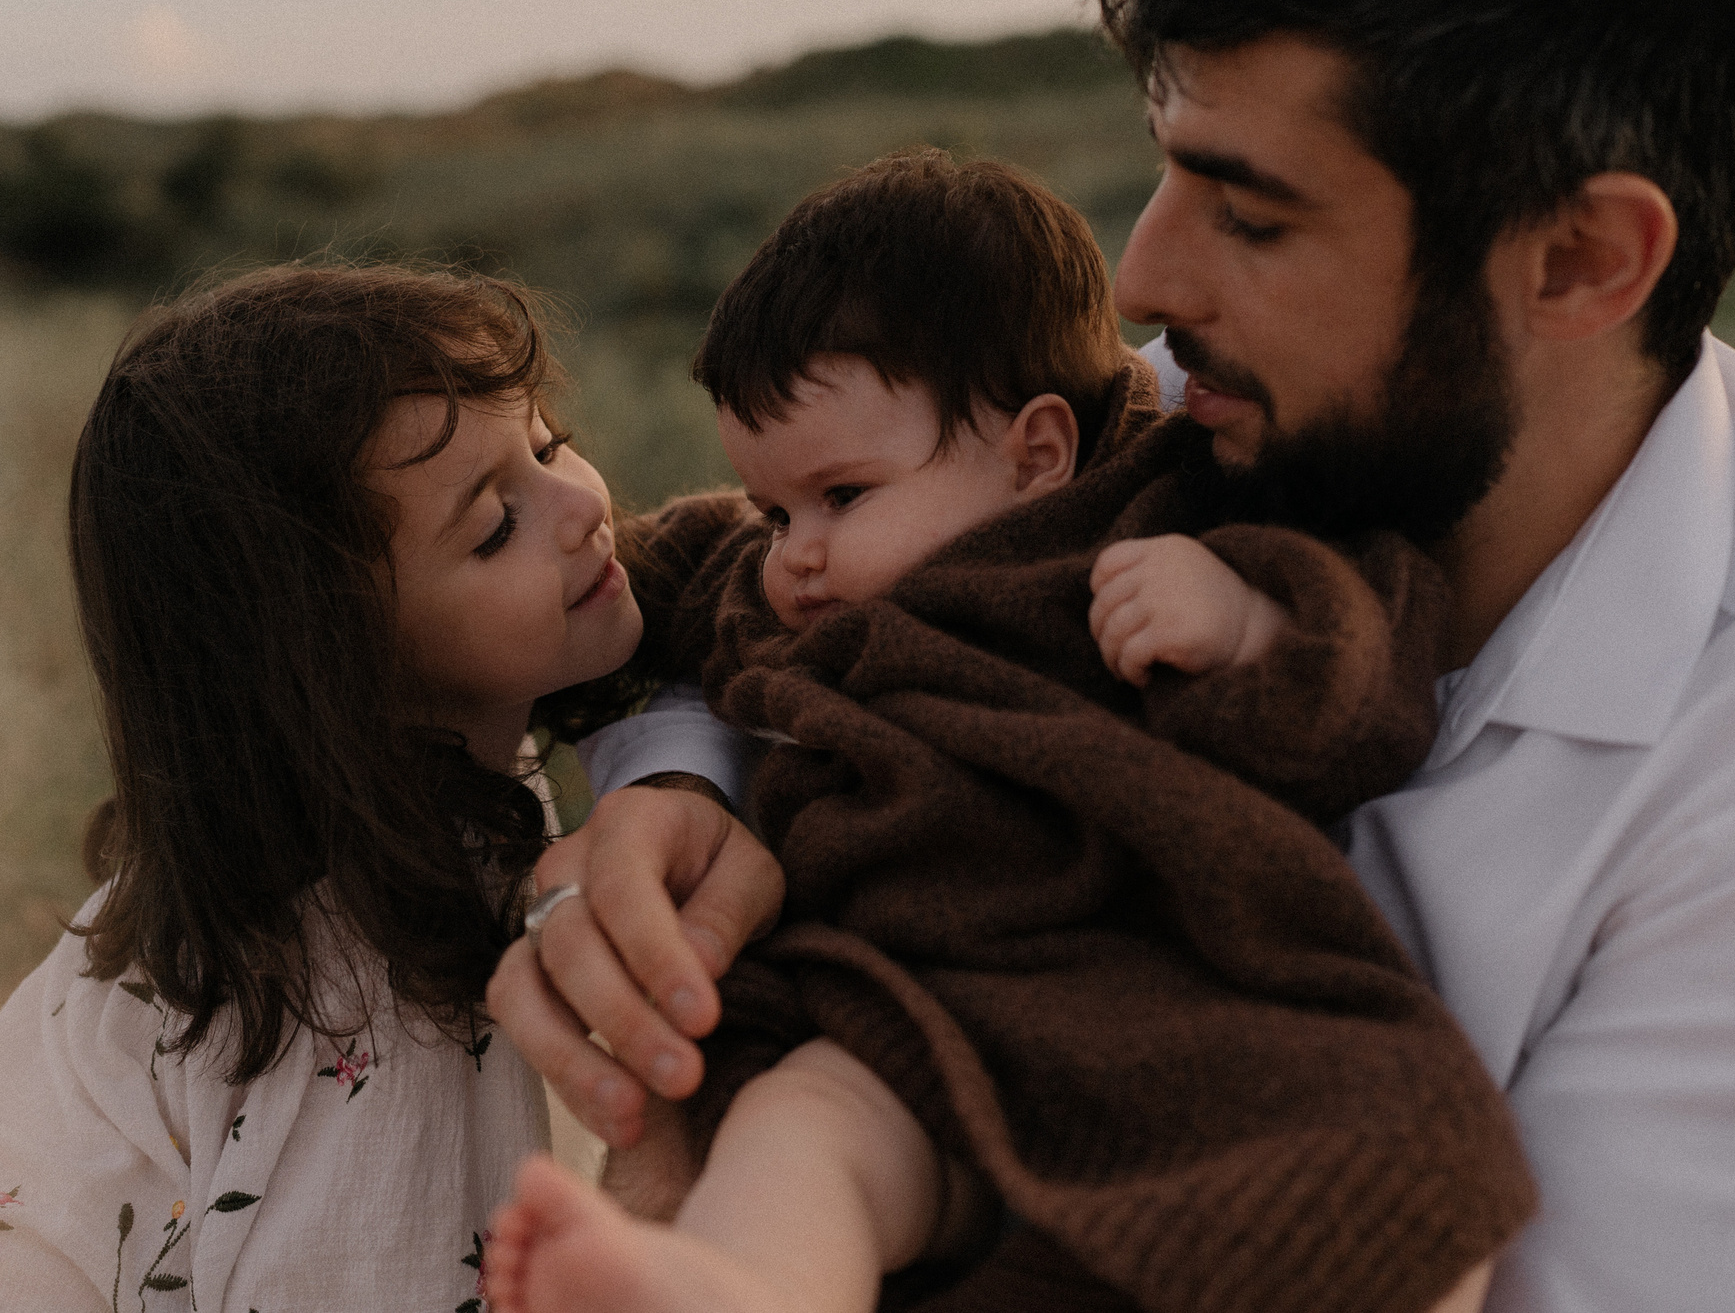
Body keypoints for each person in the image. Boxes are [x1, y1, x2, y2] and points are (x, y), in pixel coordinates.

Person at [486, 0, 1735, 1311]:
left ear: (1585, 259)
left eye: (1251, 209)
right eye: (1168, 168)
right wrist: (690, 777)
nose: (1146, 277)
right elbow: (789, 567)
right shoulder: (1204, 433)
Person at [483, 152, 1532, 1313]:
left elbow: (1360, 689)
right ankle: (740, 1290)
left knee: (1389, 1135)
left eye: (840, 498)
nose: (793, 552)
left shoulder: (1168, 517)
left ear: (1036, 453)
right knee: (803, 1127)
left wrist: (1243, 624)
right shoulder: (786, 581)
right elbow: (652, 577)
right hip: (900, 1013)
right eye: (775, 507)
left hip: (1153, 987)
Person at [0, 263, 644, 1312]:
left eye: (549, 444)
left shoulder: (336, 827)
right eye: (492, 527)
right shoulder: (360, 991)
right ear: (331, 662)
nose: (579, 507)